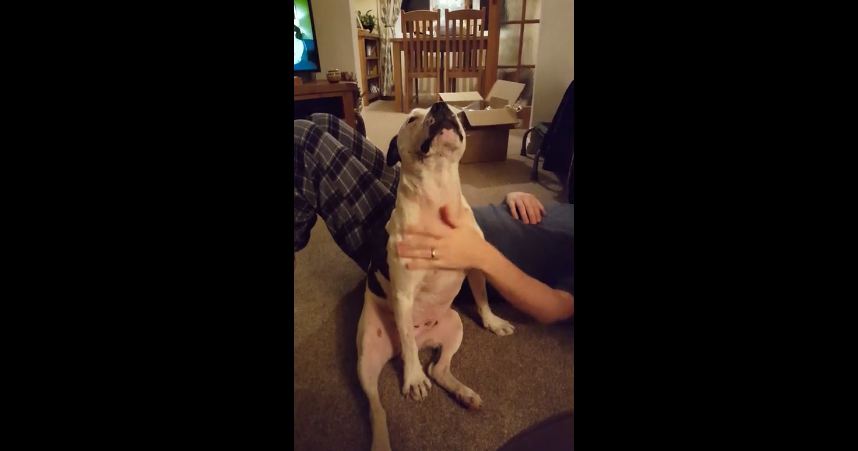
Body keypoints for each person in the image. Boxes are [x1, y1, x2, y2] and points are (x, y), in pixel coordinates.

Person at [294, 113, 573, 324]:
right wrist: (514, 196)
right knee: (324, 122)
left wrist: (478, 252)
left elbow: (554, 307)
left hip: (414, 247)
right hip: (422, 194)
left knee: (303, 140)